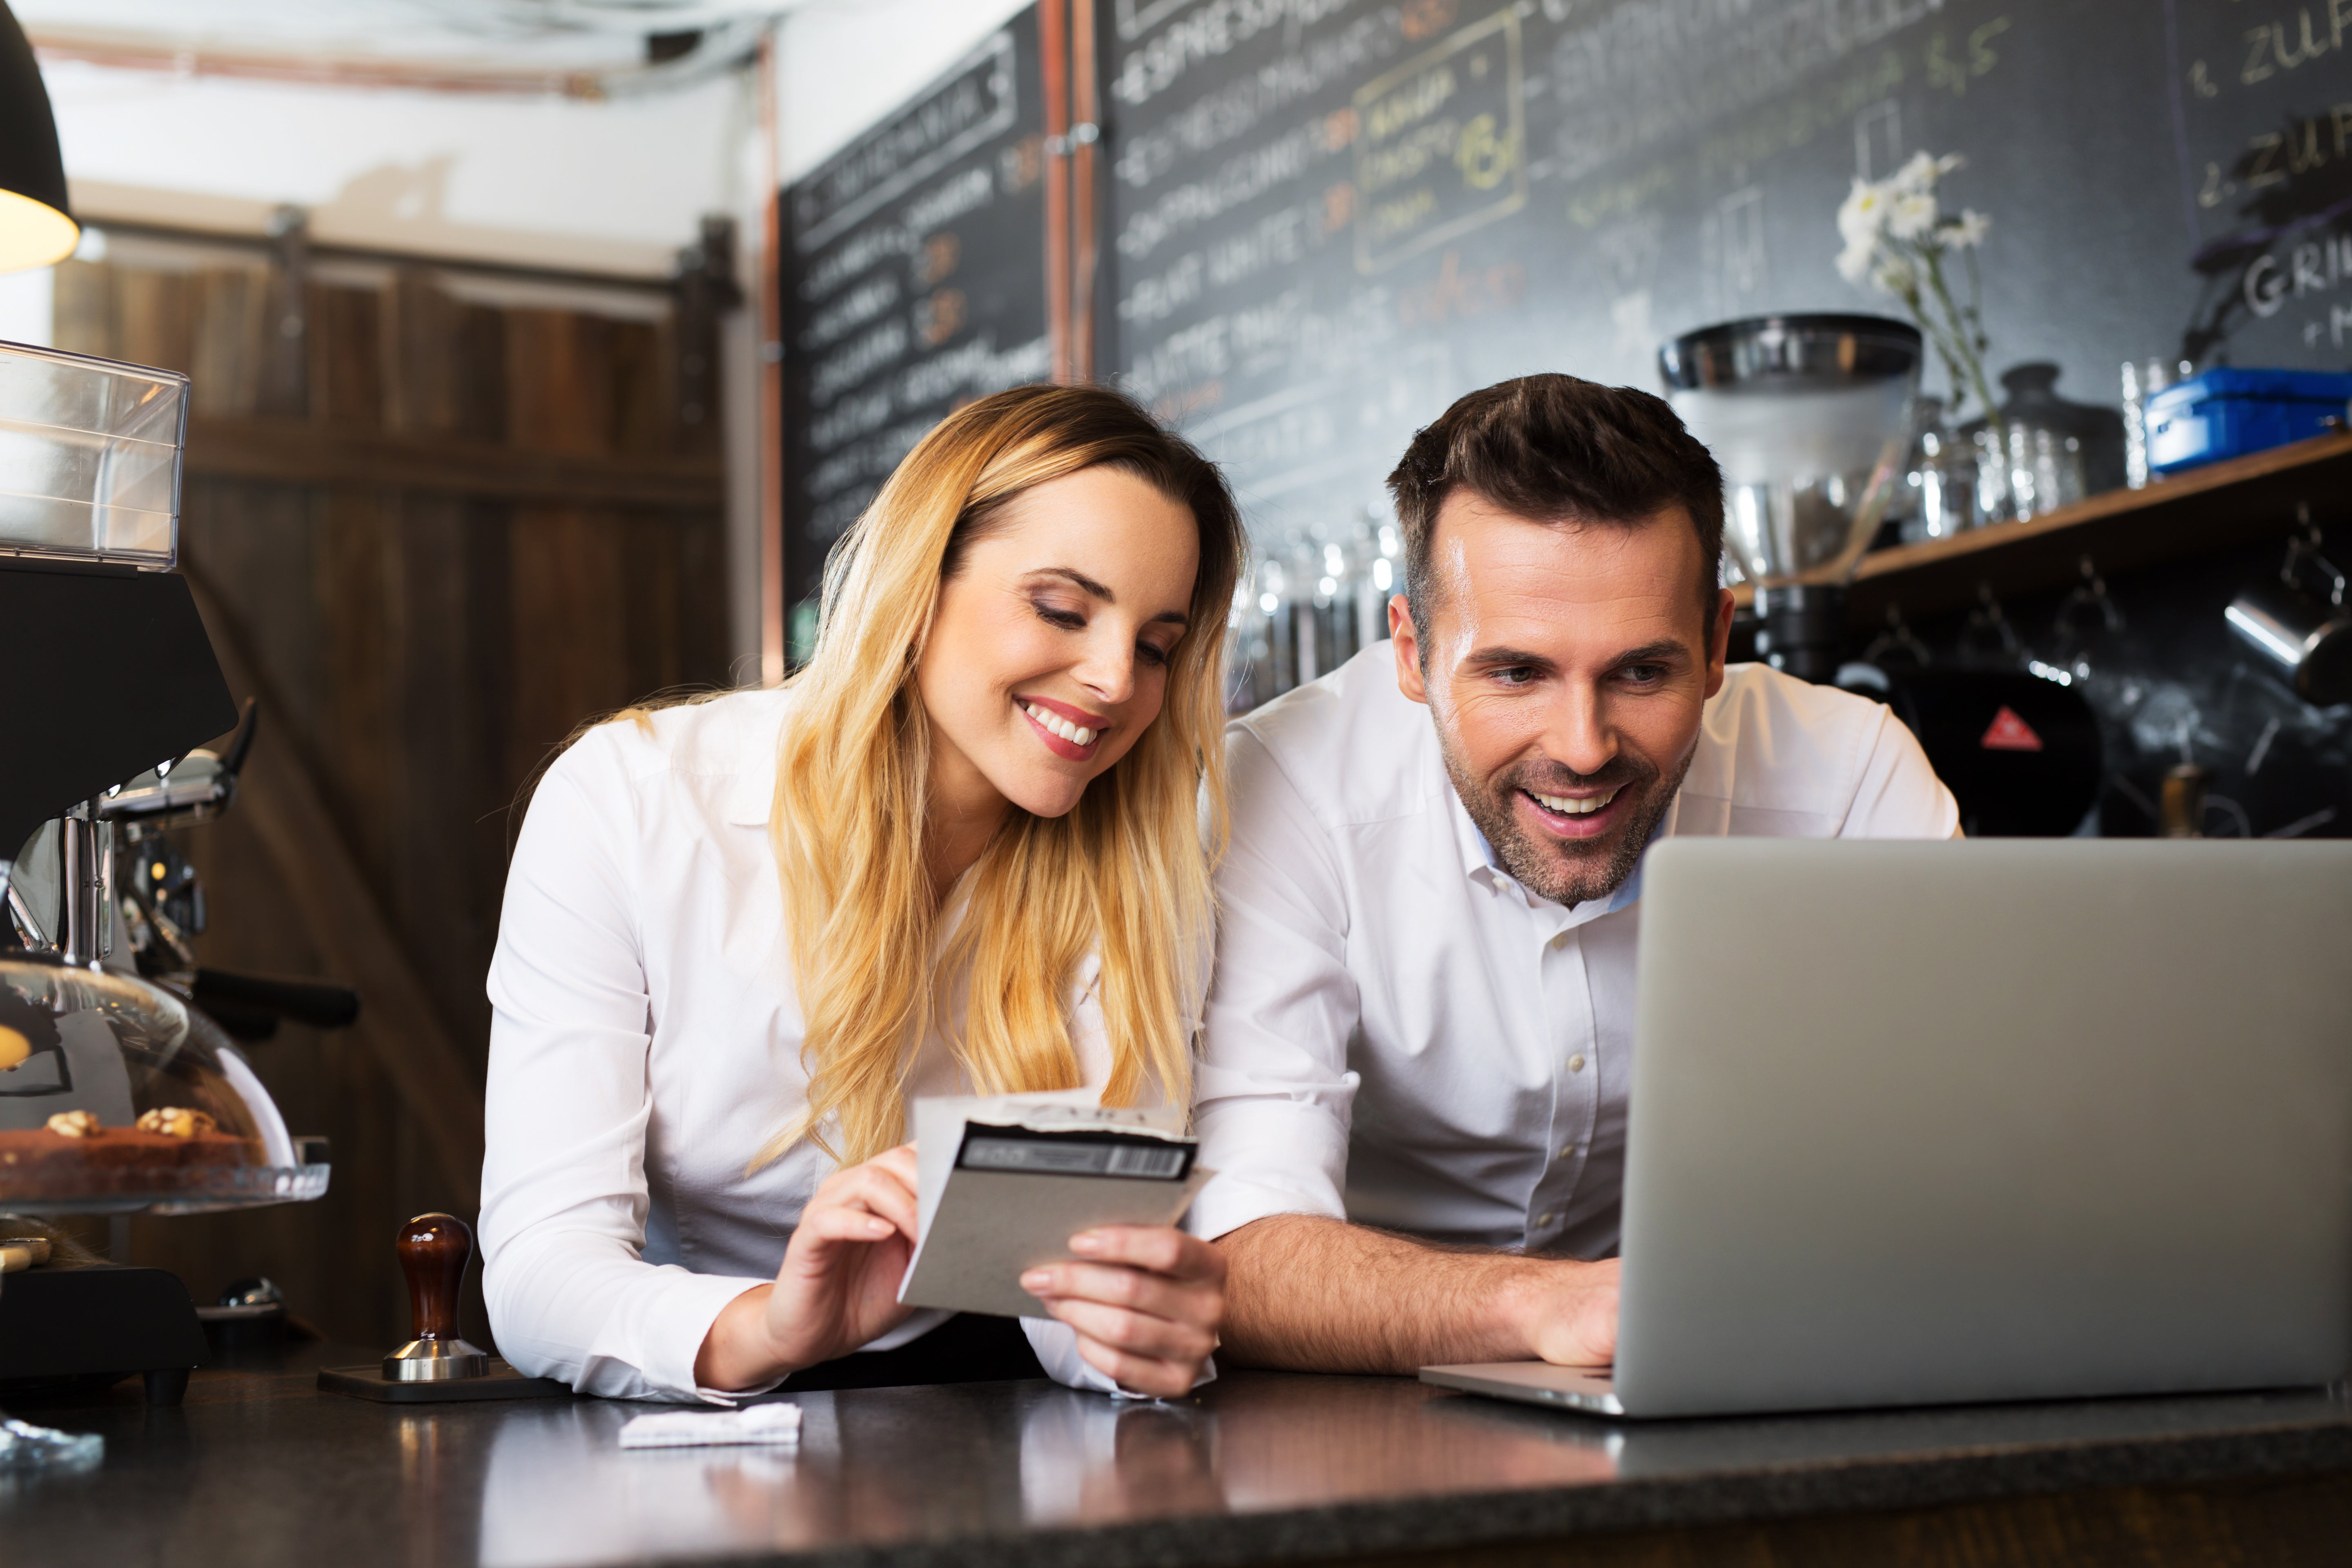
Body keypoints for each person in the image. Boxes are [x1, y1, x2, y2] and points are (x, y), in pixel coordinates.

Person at [480, 385, 1244, 1402]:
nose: (1115, 680)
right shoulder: (636, 801)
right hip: (702, 1391)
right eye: (1062, 609)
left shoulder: (1141, 858)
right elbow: (541, 1272)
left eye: (1156, 646)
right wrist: (771, 1325)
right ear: (917, 583)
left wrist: (1137, 1337)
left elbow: (1077, 1302)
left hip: (990, 1407)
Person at [1190, 374, 1961, 1373]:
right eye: (1517, 674)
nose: (1585, 748)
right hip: (1359, 1389)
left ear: (1719, 642)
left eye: (1642, 672)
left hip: (1727, 1356)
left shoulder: (1849, 774)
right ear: (1413, 655)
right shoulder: (1285, 790)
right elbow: (1236, 1248)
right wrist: (1538, 1308)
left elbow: (1952, 1169)